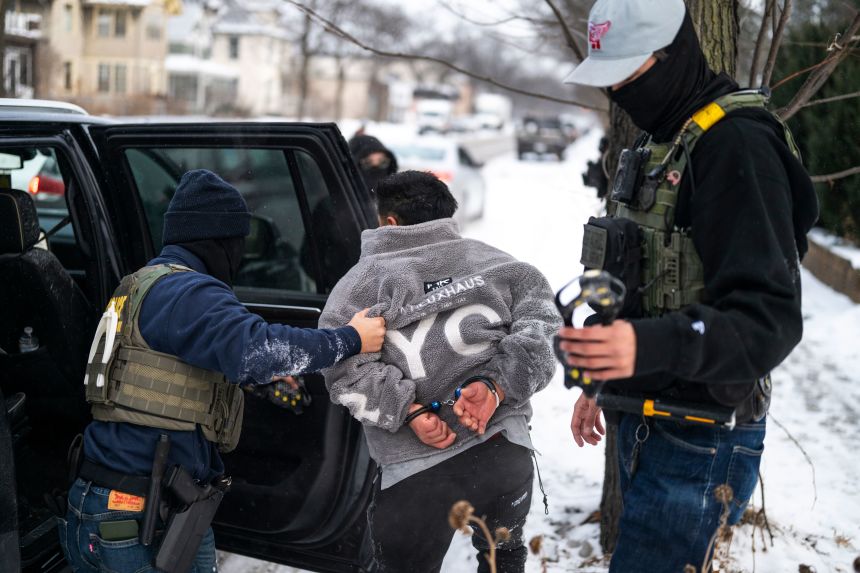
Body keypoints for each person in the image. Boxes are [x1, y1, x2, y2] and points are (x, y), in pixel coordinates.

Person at [558, 1, 819, 571]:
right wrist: (602, 378)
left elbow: (768, 316)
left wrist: (643, 347)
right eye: (611, 79)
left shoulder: (737, 146)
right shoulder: (663, 143)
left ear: (672, 57)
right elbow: (640, 277)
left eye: (629, 76)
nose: (620, 92)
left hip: (700, 442)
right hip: (649, 413)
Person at [60, 169, 386, 572]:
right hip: (132, 515)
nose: (240, 254)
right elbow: (258, 350)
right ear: (217, 239)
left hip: (128, 504)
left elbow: (168, 367)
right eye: (238, 241)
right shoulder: (188, 291)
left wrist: (251, 381)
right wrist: (350, 339)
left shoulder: (145, 284)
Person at [320, 171, 561, 573]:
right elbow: (542, 331)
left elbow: (342, 368)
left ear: (389, 223)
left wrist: (408, 412)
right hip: (504, 450)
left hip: (417, 472)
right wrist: (497, 386)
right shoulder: (503, 266)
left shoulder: (359, 286)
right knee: (503, 559)